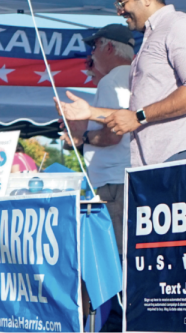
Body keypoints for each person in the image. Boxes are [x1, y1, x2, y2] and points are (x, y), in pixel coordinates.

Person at [58, 0, 186, 165]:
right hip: (152, 163)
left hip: (182, 156)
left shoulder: (180, 25)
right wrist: (90, 112)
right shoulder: (152, 36)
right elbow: (132, 115)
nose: (118, 11)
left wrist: (138, 116)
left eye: (121, 3)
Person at [61, 24, 135, 256]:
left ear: (109, 47)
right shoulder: (139, 77)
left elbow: (113, 135)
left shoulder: (110, 81)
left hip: (114, 183)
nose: (91, 54)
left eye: (94, 46)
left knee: (115, 257)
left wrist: (80, 137)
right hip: (130, 177)